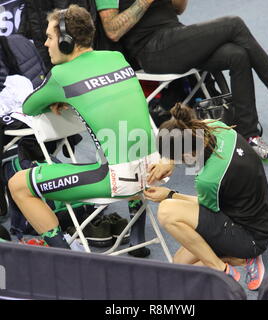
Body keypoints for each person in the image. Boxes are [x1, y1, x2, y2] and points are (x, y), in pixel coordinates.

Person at [8, 4, 165, 250]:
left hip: (116, 180)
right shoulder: (116, 57)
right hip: (153, 170)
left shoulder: (61, 74)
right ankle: (137, 238)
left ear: (67, 41)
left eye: (49, 37)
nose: (46, 44)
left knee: (17, 184)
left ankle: (64, 255)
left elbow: (29, 107)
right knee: (114, 144)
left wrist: (58, 98)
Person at [96, 0, 268, 165]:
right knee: (233, 23)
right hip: (151, 50)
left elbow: (178, 8)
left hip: (175, 36)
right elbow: (113, 30)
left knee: (237, 55)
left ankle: (250, 138)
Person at [144, 103, 268, 291]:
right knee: (178, 267)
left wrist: (170, 195)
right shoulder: (214, 126)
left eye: (178, 158)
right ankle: (232, 258)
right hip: (255, 218)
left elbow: (203, 209)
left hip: (249, 235)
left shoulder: (210, 179)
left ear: (187, 153)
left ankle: (227, 265)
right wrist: (169, 162)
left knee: (167, 211)